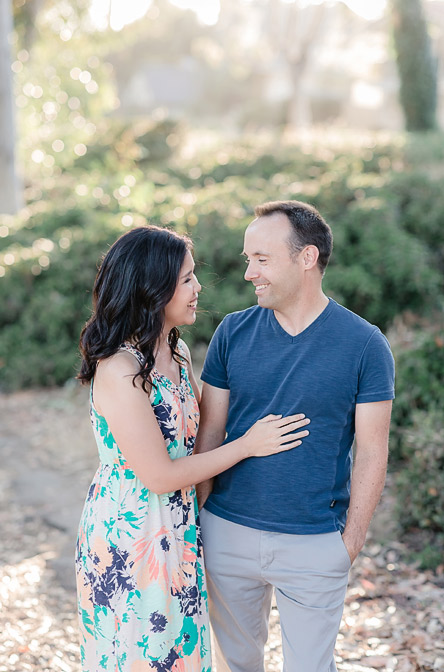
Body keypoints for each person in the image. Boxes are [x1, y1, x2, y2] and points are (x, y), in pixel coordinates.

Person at [75, 225, 311, 671]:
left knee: (181, 654)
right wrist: (248, 446)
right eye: (186, 279)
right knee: (143, 658)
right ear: (152, 288)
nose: (198, 287)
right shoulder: (119, 370)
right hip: (134, 534)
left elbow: (200, 437)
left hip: (179, 524)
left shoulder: (176, 353)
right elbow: (160, 475)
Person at [195, 200, 395, 671]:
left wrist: (350, 542)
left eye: (261, 259)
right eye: (248, 259)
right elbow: (209, 432)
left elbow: (372, 449)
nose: (249, 273)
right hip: (227, 531)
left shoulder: (365, 344)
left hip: (314, 542)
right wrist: (205, 517)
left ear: (306, 258)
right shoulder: (232, 332)